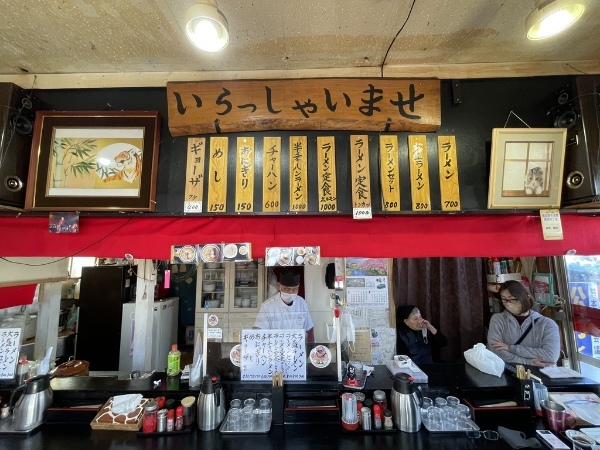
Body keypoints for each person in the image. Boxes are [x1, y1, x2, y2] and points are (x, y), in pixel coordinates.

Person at [488, 280, 560, 367]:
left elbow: (550, 355)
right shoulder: (498, 319)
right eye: (504, 299)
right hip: (509, 372)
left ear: (526, 298)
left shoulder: (548, 324)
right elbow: (496, 351)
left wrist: (510, 348)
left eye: (513, 299)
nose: (508, 303)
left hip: (542, 373)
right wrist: (528, 362)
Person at [253, 269, 315, 342]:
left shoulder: (302, 303)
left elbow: (309, 329)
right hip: (276, 348)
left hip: (297, 348)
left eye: (294, 289)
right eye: (287, 289)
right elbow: (258, 331)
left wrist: (311, 348)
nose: (291, 293)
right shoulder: (267, 306)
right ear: (279, 286)